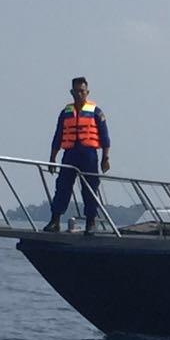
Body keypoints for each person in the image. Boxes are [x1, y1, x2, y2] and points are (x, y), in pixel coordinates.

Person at [44, 77, 111, 234]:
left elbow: (105, 137)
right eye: (76, 91)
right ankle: (55, 220)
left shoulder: (96, 112)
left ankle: (91, 222)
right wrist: (52, 158)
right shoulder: (65, 113)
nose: (79, 94)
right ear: (71, 92)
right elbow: (58, 136)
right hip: (70, 154)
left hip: (89, 155)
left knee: (90, 188)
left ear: (87, 92)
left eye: (82, 91)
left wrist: (105, 158)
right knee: (62, 187)